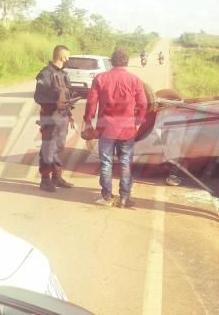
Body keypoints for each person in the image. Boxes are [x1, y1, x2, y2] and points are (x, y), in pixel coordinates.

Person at [83, 47, 147, 208]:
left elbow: (91, 102)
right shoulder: (135, 80)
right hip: (127, 129)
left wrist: (88, 120)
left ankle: (107, 197)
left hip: (106, 129)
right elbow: (143, 103)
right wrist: (138, 122)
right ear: (126, 62)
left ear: (111, 61)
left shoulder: (100, 78)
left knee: (106, 162)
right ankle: (125, 197)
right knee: (125, 162)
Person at [34, 45, 75, 192]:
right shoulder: (45, 73)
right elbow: (38, 96)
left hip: (63, 117)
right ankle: (45, 179)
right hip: (50, 116)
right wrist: (54, 102)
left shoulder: (64, 74)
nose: (69, 59)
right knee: (48, 148)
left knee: (58, 147)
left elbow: (68, 95)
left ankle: (56, 177)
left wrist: (70, 114)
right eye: (68, 56)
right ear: (62, 57)